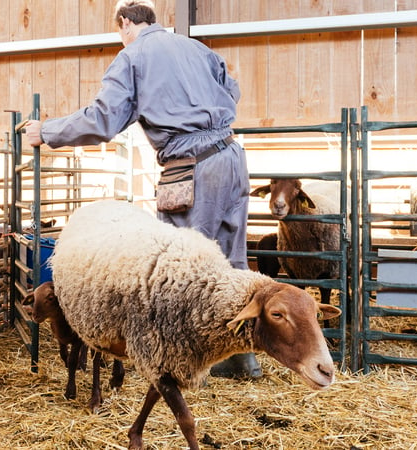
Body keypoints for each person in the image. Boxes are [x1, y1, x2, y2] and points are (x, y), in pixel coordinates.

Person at [22, 0, 260, 379]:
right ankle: (241, 361)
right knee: (232, 259)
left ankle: (179, 364)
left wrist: (47, 132)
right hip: (231, 157)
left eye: (119, 33)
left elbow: (104, 118)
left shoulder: (133, 56)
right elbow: (232, 91)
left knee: (180, 272)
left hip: (190, 166)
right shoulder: (196, 48)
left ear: (124, 23)